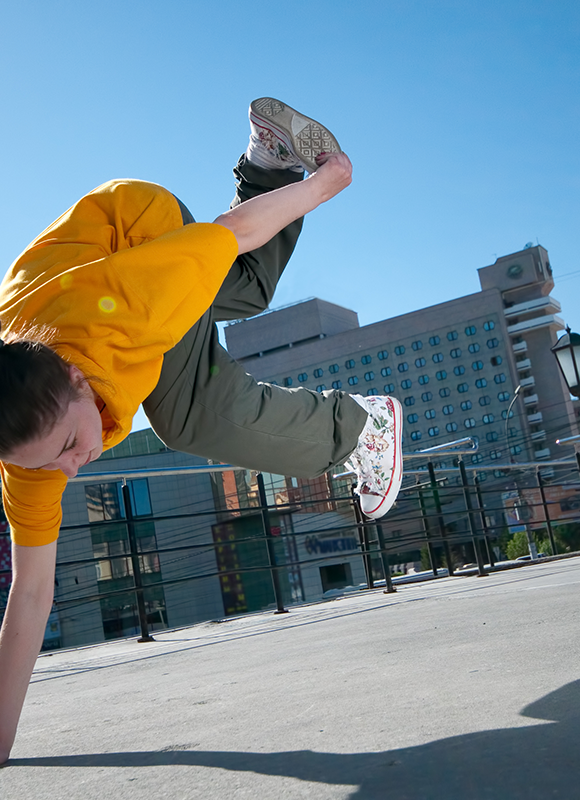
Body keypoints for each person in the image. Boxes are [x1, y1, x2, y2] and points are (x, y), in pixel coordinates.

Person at [0, 98, 403, 763]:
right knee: (242, 290)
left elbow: (234, 231)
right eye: (53, 465)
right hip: (74, 268)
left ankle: (363, 426)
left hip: (136, 229)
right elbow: (31, 593)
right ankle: (269, 159)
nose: (72, 467)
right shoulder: (26, 450)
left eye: (71, 445)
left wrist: (328, 182)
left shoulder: (131, 307)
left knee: (193, 405)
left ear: (74, 378)